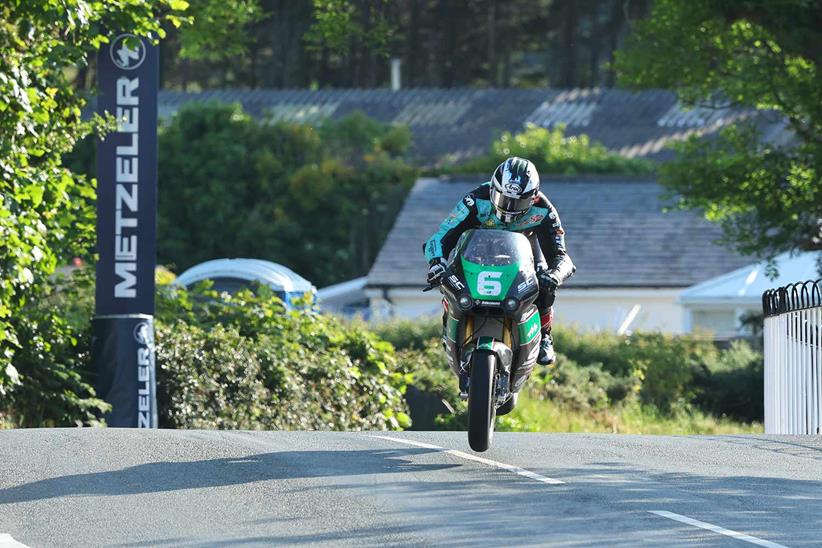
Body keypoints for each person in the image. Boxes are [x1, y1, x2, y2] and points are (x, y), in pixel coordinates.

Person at [423, 156, 575, 365]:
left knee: (545, 284)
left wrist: (555, 274)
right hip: (478, 251)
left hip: (525, 254)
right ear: (493, 189)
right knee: (449, 276)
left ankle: (545, 336)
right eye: (504, 199)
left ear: (533, 198)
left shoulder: (545, 210)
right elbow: (441, 236)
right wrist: (436, 263)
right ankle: (448, 326)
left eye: (518, 202)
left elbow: (562, 256)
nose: (509, 208)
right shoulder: (475, 199)